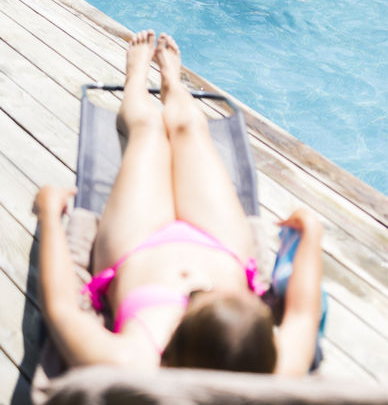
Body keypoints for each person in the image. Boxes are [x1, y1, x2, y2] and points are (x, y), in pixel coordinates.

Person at [34, 30, 323, 376]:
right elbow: (303, 315)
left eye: (195, 299)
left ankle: (135, 78)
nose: (193, 289)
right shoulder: (274, 367)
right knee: (190, 127)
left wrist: (49, 216)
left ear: (175, 340)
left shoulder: (133, 359)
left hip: (136, 245)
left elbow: (62, 309)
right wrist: (313, 235)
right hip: (221, 243)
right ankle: (172, 82)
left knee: (149, 130)